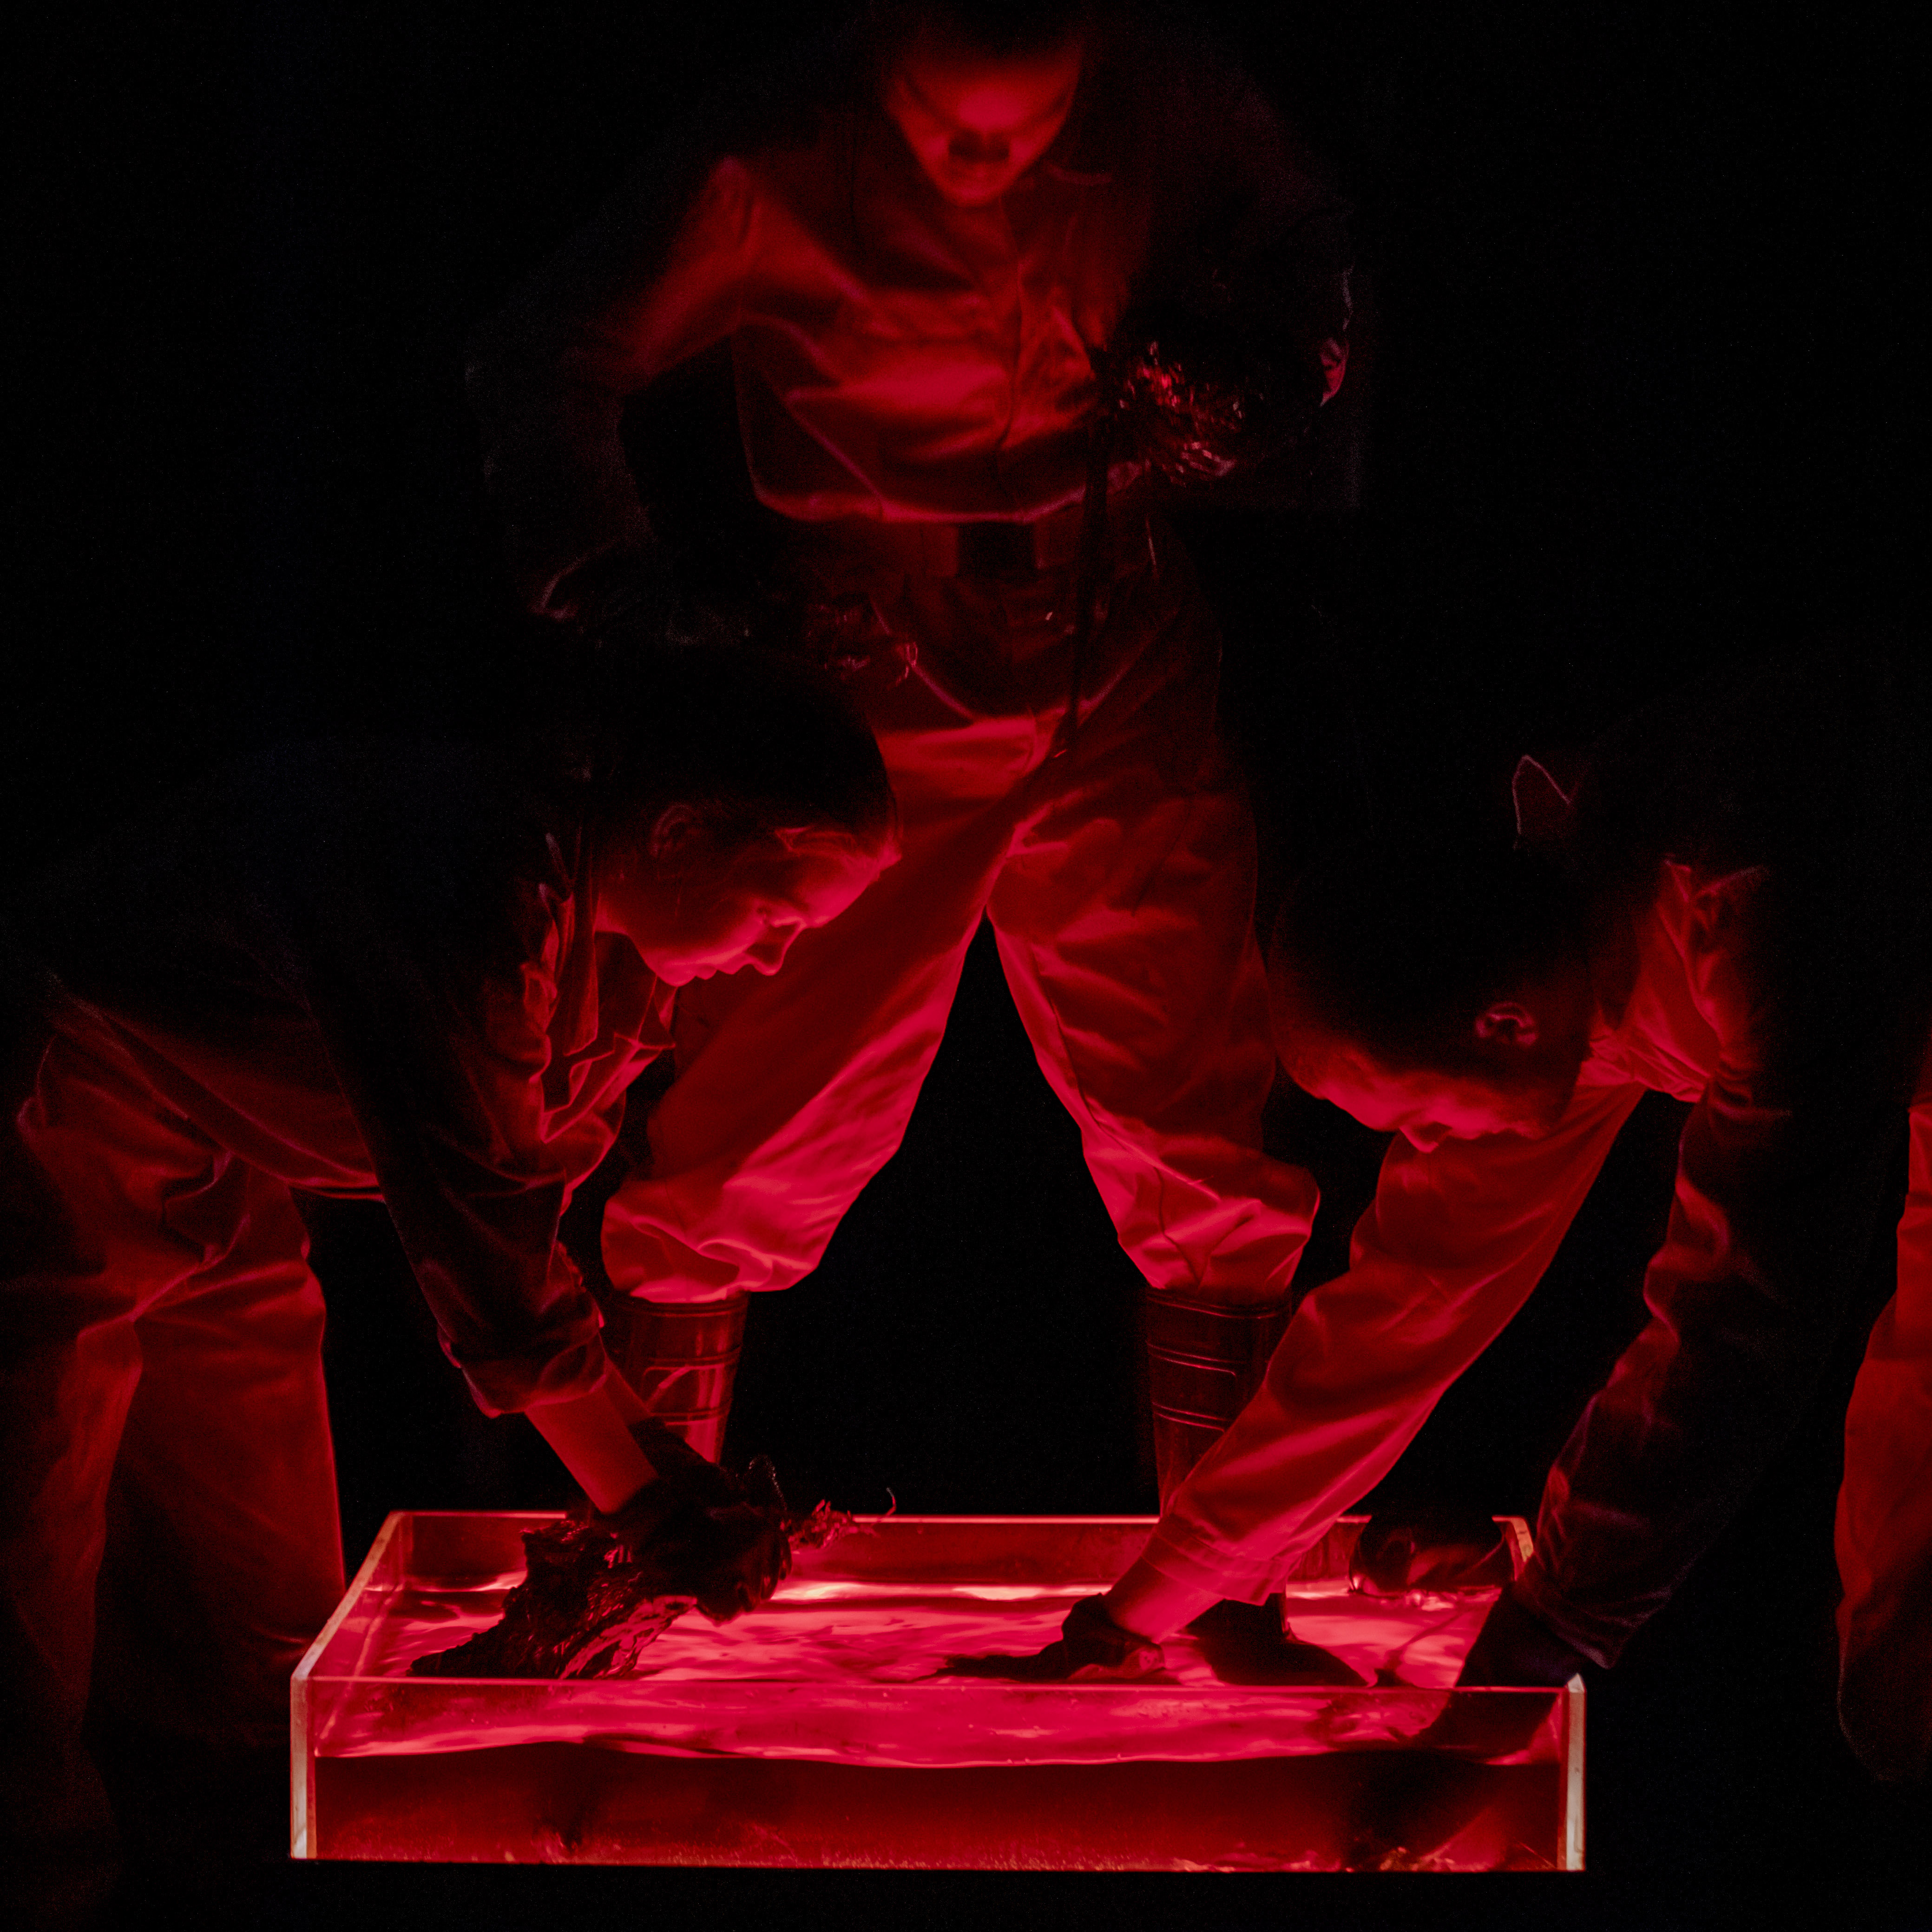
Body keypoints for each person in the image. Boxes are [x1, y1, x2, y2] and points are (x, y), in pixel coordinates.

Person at [466, 0, 1354, 1503]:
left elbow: (1306, 241)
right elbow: (546, 350)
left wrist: (1276, 359)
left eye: (1027, 135)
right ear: (882, 55)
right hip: (870, 663)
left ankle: (1225, 1556)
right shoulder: (773, 153)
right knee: (756, 1115)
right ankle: (648, 1528)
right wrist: (618, 591)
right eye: (948, 134)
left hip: (1113, 621)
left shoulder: (1166, 101)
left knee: (1190, 1096)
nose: (984, 169)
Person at [0, 643, 895, 1924]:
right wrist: (650, 1507)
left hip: (227, 1172)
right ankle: (44, 1885)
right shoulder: (468, 878)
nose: (771, 960)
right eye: (775, 914)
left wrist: (651, 1462)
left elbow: (526, 1218)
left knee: (260, 1602)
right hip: (65, 1105)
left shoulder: (623, 963)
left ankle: (241, 1865)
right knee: (26, 1539)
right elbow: (487, 1262)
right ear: (678, 830)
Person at [1027, 651, 1932, 1785]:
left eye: (1419, 1117)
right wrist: (1138, 1611)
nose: (1425, 1148)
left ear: (1502, 1025)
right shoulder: (1559, 949)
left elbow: (1738, 1320)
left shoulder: (1752, 915)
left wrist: (1536, 1650)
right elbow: (1399, 1311)